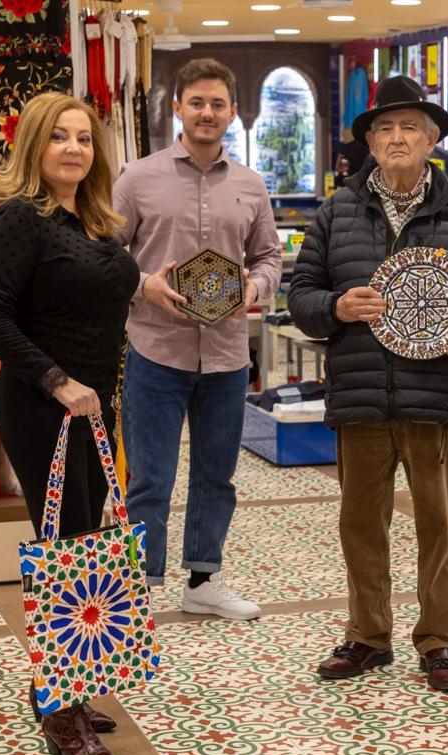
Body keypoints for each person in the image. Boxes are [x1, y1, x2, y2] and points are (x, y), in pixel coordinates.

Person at [288, 76, 448, 693]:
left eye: (409, 127)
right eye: (384, 128)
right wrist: (337, 306)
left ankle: (441, 641)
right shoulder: (337, 210)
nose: (396, 138)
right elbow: (302, 295)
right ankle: (367, 637)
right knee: (360, 523)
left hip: (437, 392)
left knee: (438, 525)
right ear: (369, 140)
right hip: (361, 395)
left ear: (433, 138)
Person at [0, 92, 140, 755]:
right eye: (59, 137)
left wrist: (150, 286)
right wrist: (56, 380)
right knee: (65, 553)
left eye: (85, 138)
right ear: (34, 147)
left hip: (93, 409)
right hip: (46, 407)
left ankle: (62, 687)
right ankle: (60, 711)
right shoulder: (22, 217)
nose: (75, 148)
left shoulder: (93, 220)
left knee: (85, 548)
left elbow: (102, 291)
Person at [113, 58, 283, 620]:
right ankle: (139, 589)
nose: (206, 113)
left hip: (229, 355)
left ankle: (203, 580)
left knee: (217, 473)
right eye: (197, 102)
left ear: (233, 113)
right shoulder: (137, 178)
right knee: (150, 477)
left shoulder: (251, 184)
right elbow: (105, 257)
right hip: (155, 351)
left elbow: (268, 257)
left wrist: (254, 289)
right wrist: (143, 284)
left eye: (217, 104)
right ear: (176, 108)